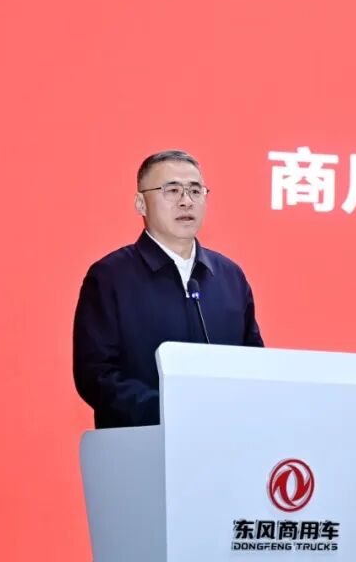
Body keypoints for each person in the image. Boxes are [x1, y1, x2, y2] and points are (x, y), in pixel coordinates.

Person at [73, 150, 264, 428]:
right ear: (141, 203)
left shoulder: (230, 276)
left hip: (225, 438)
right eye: (172, 190)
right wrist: (170, 410)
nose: (186, 201)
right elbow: (96, 375)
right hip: (143, 439)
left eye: (195, 191)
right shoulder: (111, 276)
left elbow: (254, 365)